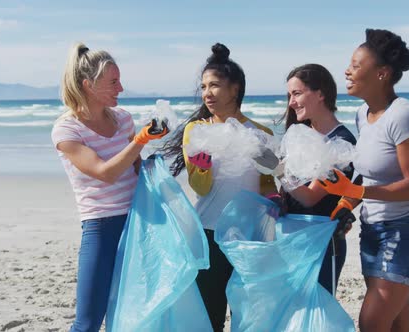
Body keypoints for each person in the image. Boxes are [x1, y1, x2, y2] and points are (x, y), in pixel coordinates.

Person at [317, 29, 409, 332]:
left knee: (371, 323)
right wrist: (347, 202)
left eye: (356, 65)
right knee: (396, 323)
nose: (347, 70)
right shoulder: (362, 114)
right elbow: (366, 174)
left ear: (382, 73)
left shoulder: (403, 115)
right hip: (373, 228)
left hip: (405, 229)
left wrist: (356, 190)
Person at [160, 43, 277, 332]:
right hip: (209, 232)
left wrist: (276, 186)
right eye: (203, 87)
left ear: (235, 89)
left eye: (214, 85)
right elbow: (201, 187)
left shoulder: (261, 134)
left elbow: (269, 187)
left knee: (247, 315)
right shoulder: (196, 131)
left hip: (248, 236)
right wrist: (203, 159)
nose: (207, 93)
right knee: (209, 317)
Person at [51, 43, 167, 332]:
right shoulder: (67, 130)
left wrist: (159, 167)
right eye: (113, 82)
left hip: (139, 224)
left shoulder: (123, 118)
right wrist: (140, 140)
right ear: (89, 85)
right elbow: (105, 173)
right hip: (101, 228)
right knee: (88, 321)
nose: (121, 88)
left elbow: (134, 167)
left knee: (138, 313)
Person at [277, 64, 357, 295]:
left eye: (297, 93)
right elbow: (289, 192)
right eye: (289, 95)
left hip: (322, 242)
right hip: (290, 238)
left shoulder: (341, 144)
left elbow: (309, 197)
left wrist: (276, 170)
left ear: (321, 93)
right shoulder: (298, 136)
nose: (291, 102)